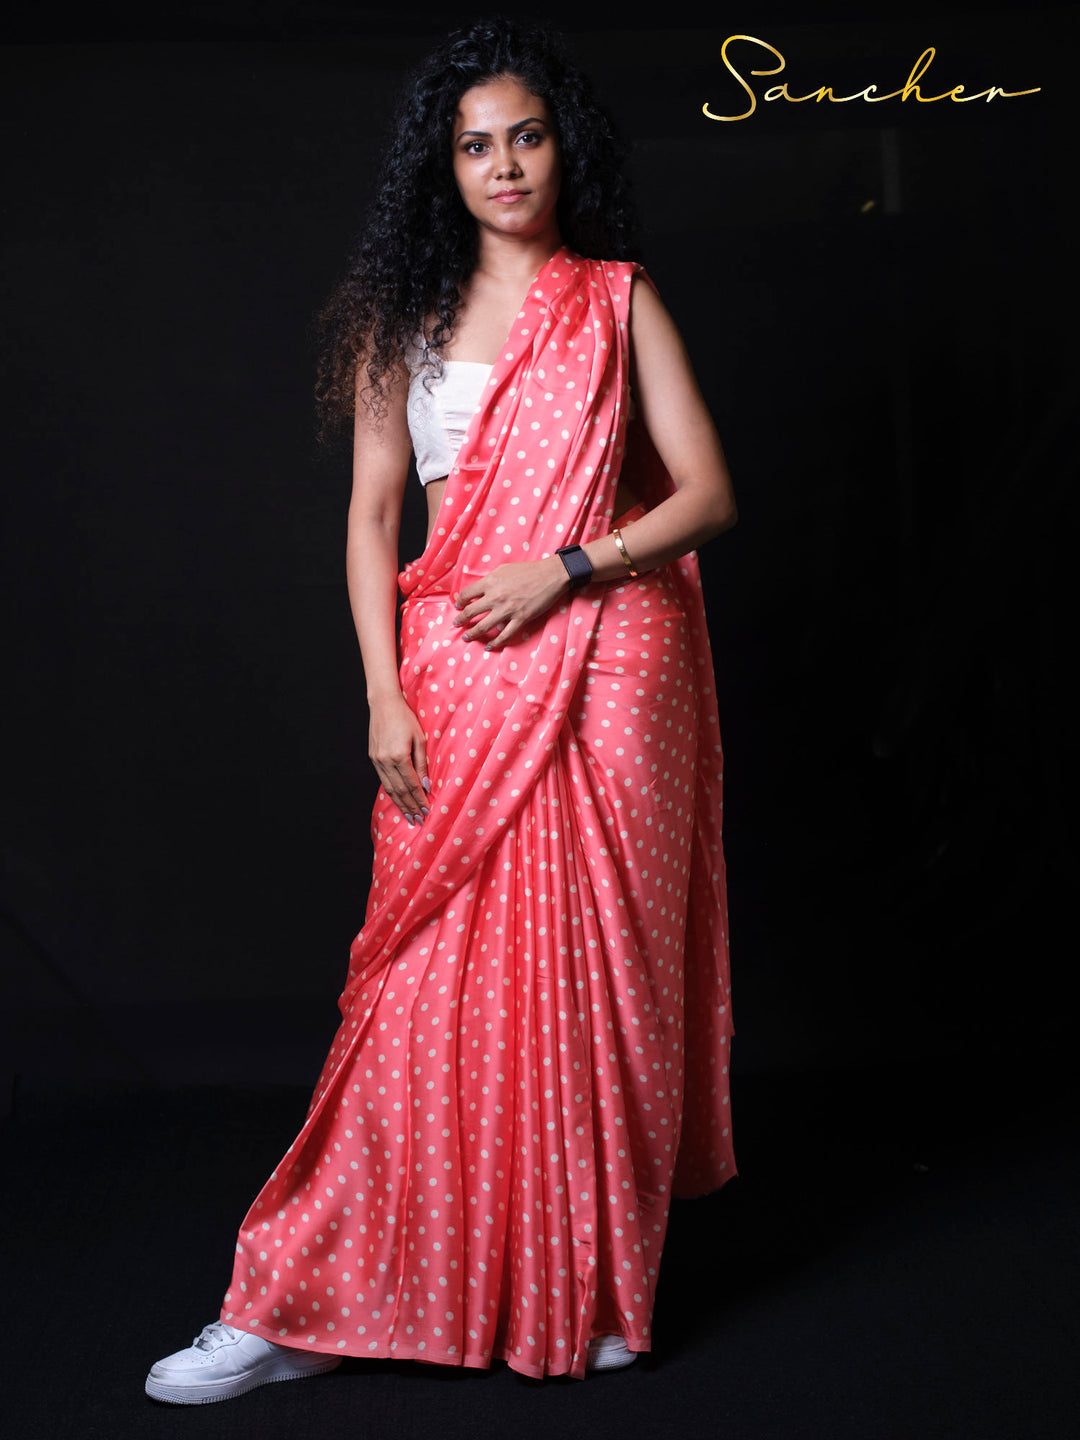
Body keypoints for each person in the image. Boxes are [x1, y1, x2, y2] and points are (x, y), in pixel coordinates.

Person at [146, 16, 738, 1403]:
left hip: (608, 657)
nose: (505, 165)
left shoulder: (616, 300)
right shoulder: (396, 321)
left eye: (526, 137)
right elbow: (370, 523)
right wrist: (381, 694)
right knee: (423, 985)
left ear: (563, 148)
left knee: (598, 971)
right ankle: (300, 1302)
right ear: (444, 167)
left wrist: (569, 566)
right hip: (455, 669)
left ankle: (588, 1281)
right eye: (476, 146)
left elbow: (709, 494)